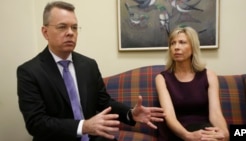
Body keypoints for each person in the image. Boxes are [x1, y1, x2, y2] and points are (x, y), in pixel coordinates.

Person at [16, 1, 165, 141]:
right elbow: (36, 123)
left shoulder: (88, 65)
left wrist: (130, 113)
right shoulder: (29, 72)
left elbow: (104, 102)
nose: (70, 33)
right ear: (45, 32)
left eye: (74, 27)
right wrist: (84, 126)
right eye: (62, 27)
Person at [155, 26, 229, 141]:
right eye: (173, 43)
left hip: (203, 131)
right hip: (178, 133)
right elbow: (169, 116)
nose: (176, 47)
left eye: (182, 42)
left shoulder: (209, 75)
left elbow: (215, 113)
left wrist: (224, 133)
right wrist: (187, 136)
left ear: (193, 47)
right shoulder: (162, 78)